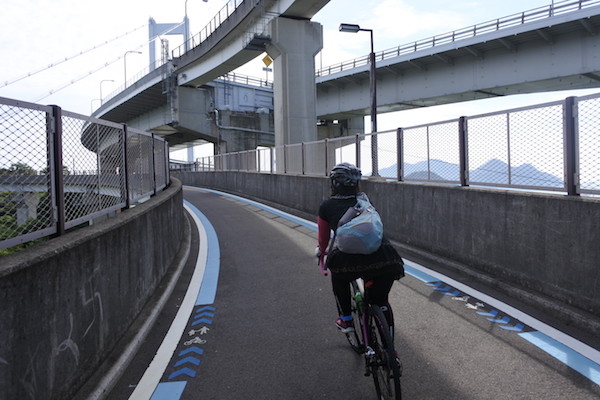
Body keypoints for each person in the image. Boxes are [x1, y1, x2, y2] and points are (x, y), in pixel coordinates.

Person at [317, 162, 405, 334]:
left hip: (347, 261)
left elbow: (323, 238)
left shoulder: (326, 206)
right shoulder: (365, 201)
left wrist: (322, 251)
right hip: (383, 257)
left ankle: (347, 320)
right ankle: (390, 351)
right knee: (380, 301)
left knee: (338, 276)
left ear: (334, 183)